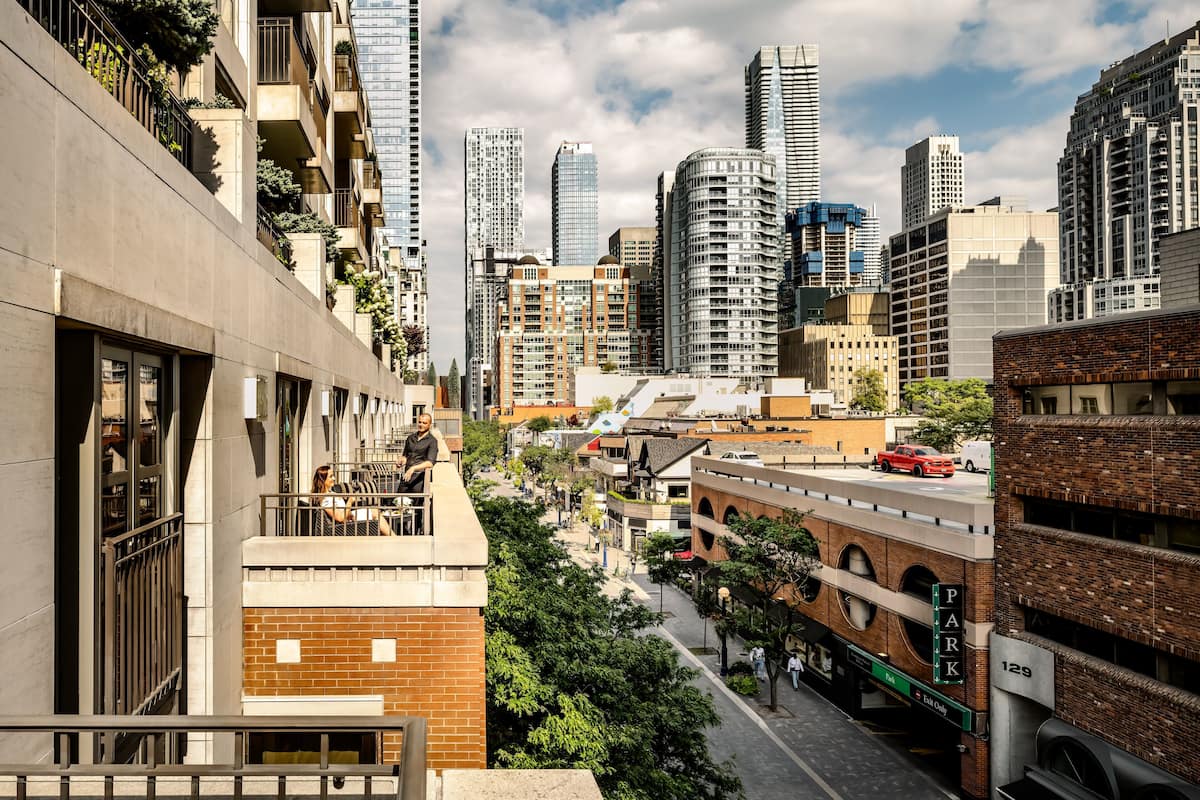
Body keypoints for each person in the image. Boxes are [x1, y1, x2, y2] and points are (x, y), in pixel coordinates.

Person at [312, 465, 392, 535]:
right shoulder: (325, 499)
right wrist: (350, 501)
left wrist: (349, 512)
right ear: (323, 479)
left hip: (349, 519)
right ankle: (394, 538)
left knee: (375, 513)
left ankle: (391, 539)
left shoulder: (329, 493)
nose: (334, 478)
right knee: (375, 513)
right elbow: (340, 518)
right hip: (344, 526)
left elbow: (341, 512)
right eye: (331, 476)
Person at [397, 413, 438, 494]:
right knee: (398, 501)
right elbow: (405, 456)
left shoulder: (432, 441)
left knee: (415, 505)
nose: (421, 425)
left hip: (420, 478)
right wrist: (401, 460)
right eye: (420, 422)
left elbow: (430, 463)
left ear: (429, 425)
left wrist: (413, 468)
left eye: (424, 423)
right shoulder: (410, 438)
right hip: (406, 476)